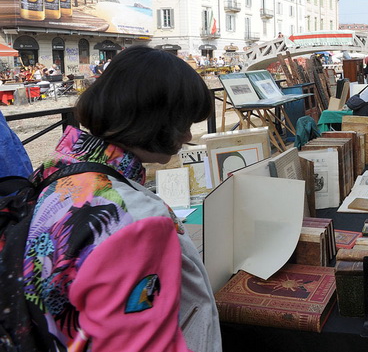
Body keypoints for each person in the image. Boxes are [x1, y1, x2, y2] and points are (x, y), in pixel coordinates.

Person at [24, 46, 222, 351]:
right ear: (156, 120)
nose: (186, 137)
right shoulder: (137, 220)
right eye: (184, 122)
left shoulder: (57, 174)